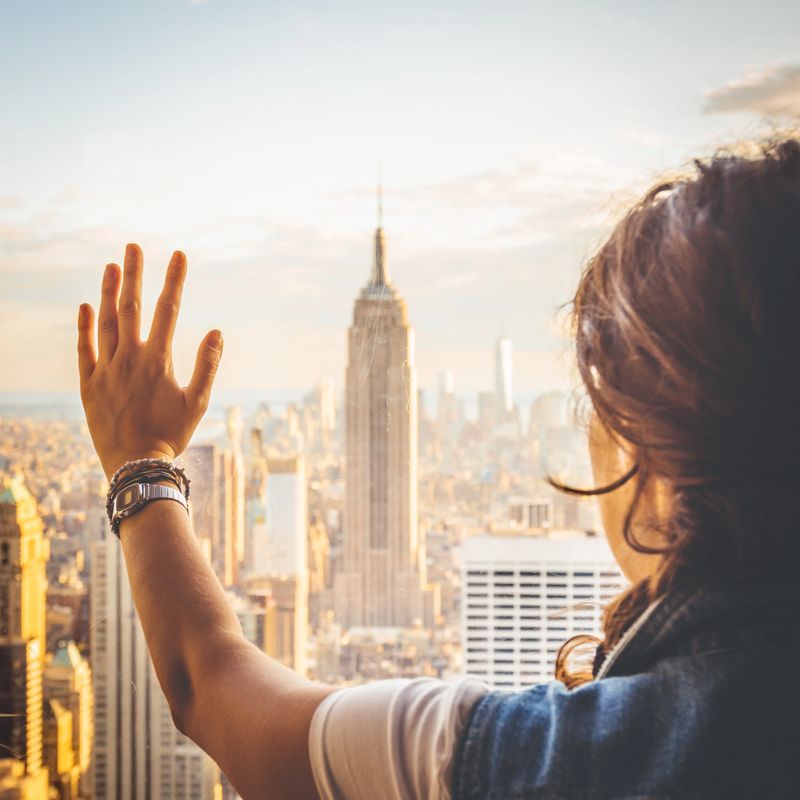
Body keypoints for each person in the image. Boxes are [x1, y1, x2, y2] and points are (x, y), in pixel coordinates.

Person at [77, 138, 800, 799]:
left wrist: (143, 463)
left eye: (600, 406)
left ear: (655, 455)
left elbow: (211, 689)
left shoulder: (535, 761)